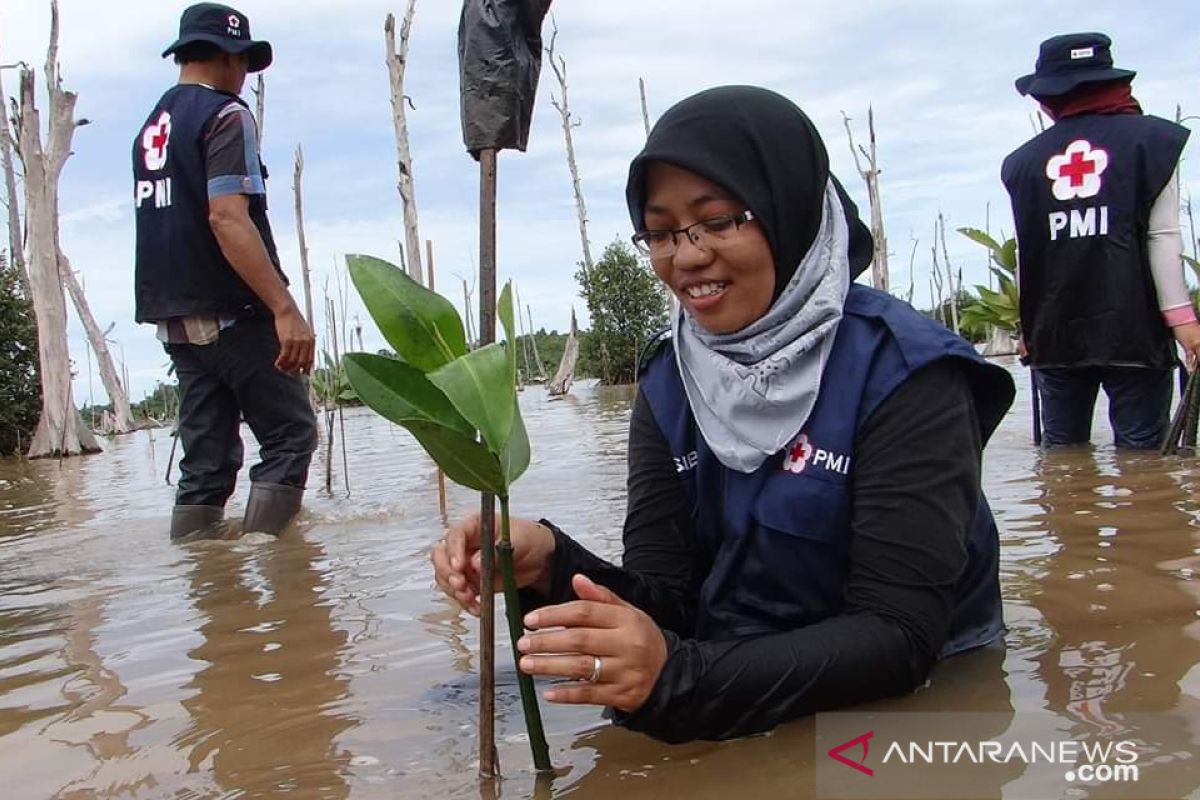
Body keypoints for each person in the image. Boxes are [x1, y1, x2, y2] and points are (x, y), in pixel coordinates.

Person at [432, 86, 1016, 743]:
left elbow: (900, 638)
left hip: (914, 695)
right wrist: (551, 561)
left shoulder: (909, 374)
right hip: (738, 667)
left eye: (719, 221)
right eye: (660, 232)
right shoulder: (668, 379)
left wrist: (680, 676)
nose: (687, 255)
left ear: (785, 209)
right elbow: (670, 599)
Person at [133, 3, 316, 541]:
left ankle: (211, 588)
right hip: (233, 310)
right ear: (229, 57)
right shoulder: (228, 115)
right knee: (290, 437)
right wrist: (284, 308)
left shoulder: (153, 125)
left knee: (206, 463)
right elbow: (226, 216)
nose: (244, 76)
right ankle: (280, 570)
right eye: (243, 62)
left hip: (174, 316)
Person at [1001, 32, 1197, 449]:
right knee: (1144, 463)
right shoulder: (1154, 142)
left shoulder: (1021, 163)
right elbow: (1162, 236)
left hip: (1054, 332)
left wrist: (1027, 327)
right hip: (1134, 329)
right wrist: (1184, 322)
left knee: (1061, 460)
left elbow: (1028, 252)